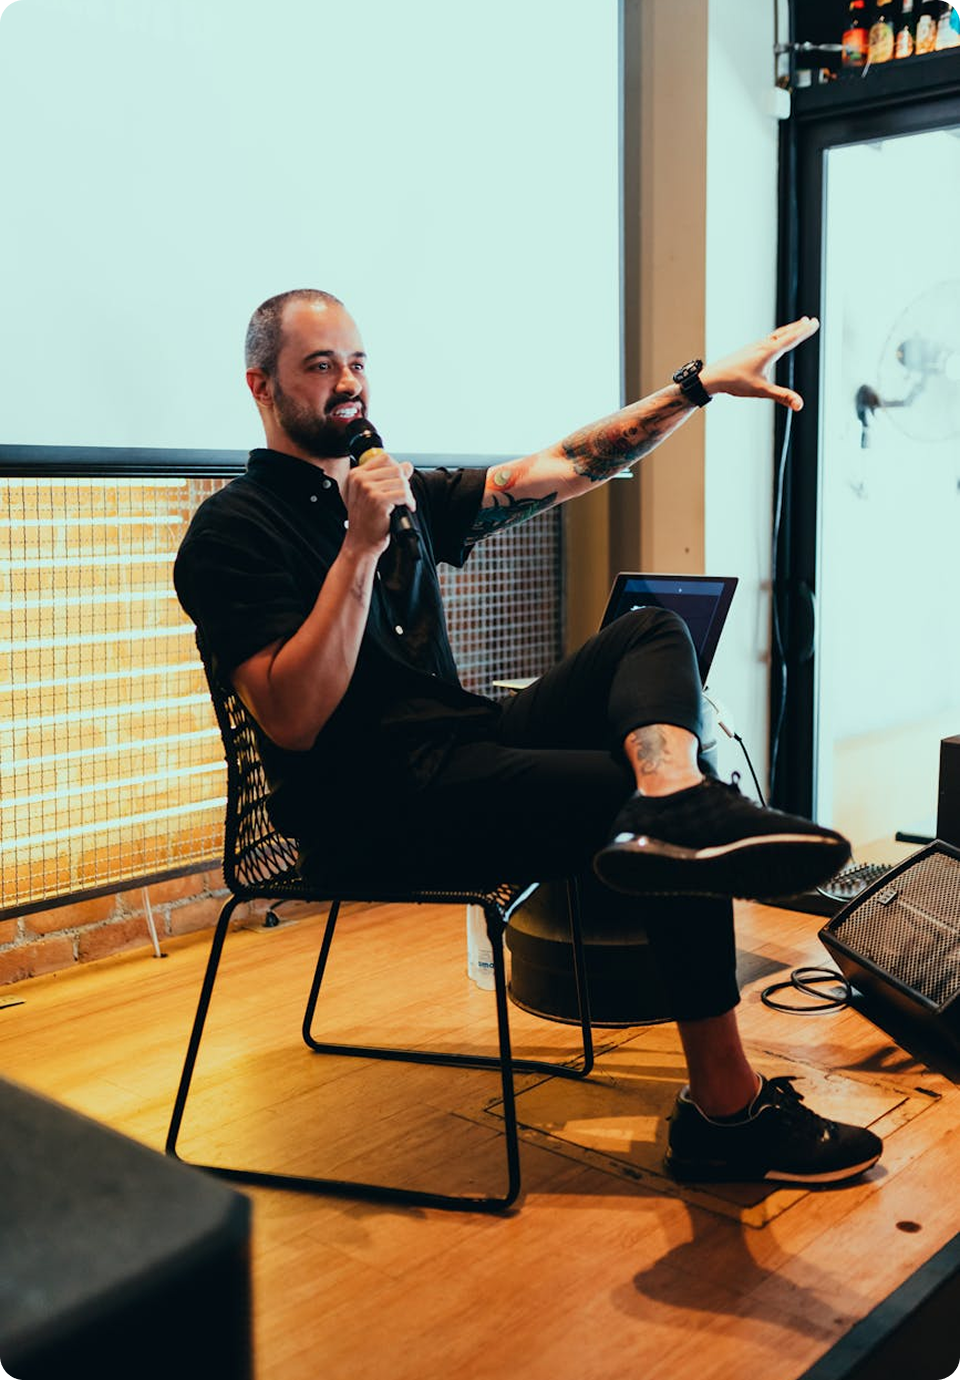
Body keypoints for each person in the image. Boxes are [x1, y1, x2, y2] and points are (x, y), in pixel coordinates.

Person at [174, 288, 882, 1187]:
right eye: (320, 366)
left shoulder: (395, 490)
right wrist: (358, 549)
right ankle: (726, 1114)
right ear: (261, 386)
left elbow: (563, 468)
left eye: (356, 362)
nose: (348, 383)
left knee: (650, 631)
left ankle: (676, 794)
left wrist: (696, 387)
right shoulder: (233, 530)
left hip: (457, 745)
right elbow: (292, 719)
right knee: (617, 800)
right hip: (366, 802)